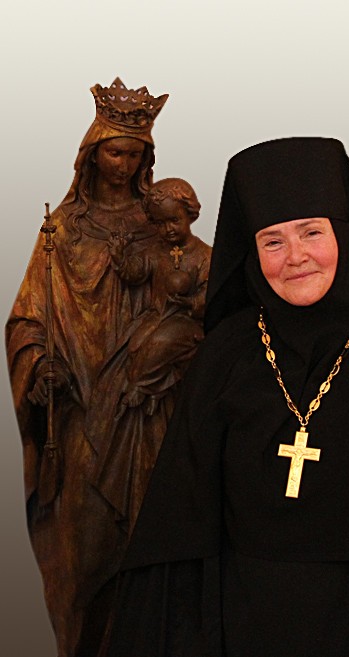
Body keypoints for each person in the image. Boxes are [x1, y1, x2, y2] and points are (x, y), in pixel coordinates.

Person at [105, 137, 349, 656]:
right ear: (250, 253)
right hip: (244, 630)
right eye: (272, 241)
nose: (295, 257)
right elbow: (181, 535)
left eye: (312, 232)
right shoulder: (225, 354)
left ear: (346, 235)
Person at [5, 77, 168, 657]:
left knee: (148, 545)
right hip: (78, 409)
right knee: (79, 552)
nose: (124, 166)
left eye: (135, 155)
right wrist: (38, 364)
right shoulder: (61, 231)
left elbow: (191, 298)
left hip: (144, 409)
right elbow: (27, 317)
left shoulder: (162, 224)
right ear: (92, 153)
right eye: (114, 152)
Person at [86, 178, 212, 534]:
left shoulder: (205, 255)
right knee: (138, 344)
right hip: (155, 320)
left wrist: (191, 302)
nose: (168, 229)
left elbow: (211, 296)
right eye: (160, 223)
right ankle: (139, 385)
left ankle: (142, 388)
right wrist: (120, 257)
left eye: (174, 221)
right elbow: (136, 273)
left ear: (190, 214)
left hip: (186, 325)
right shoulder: (156, 252)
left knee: (162, 343)